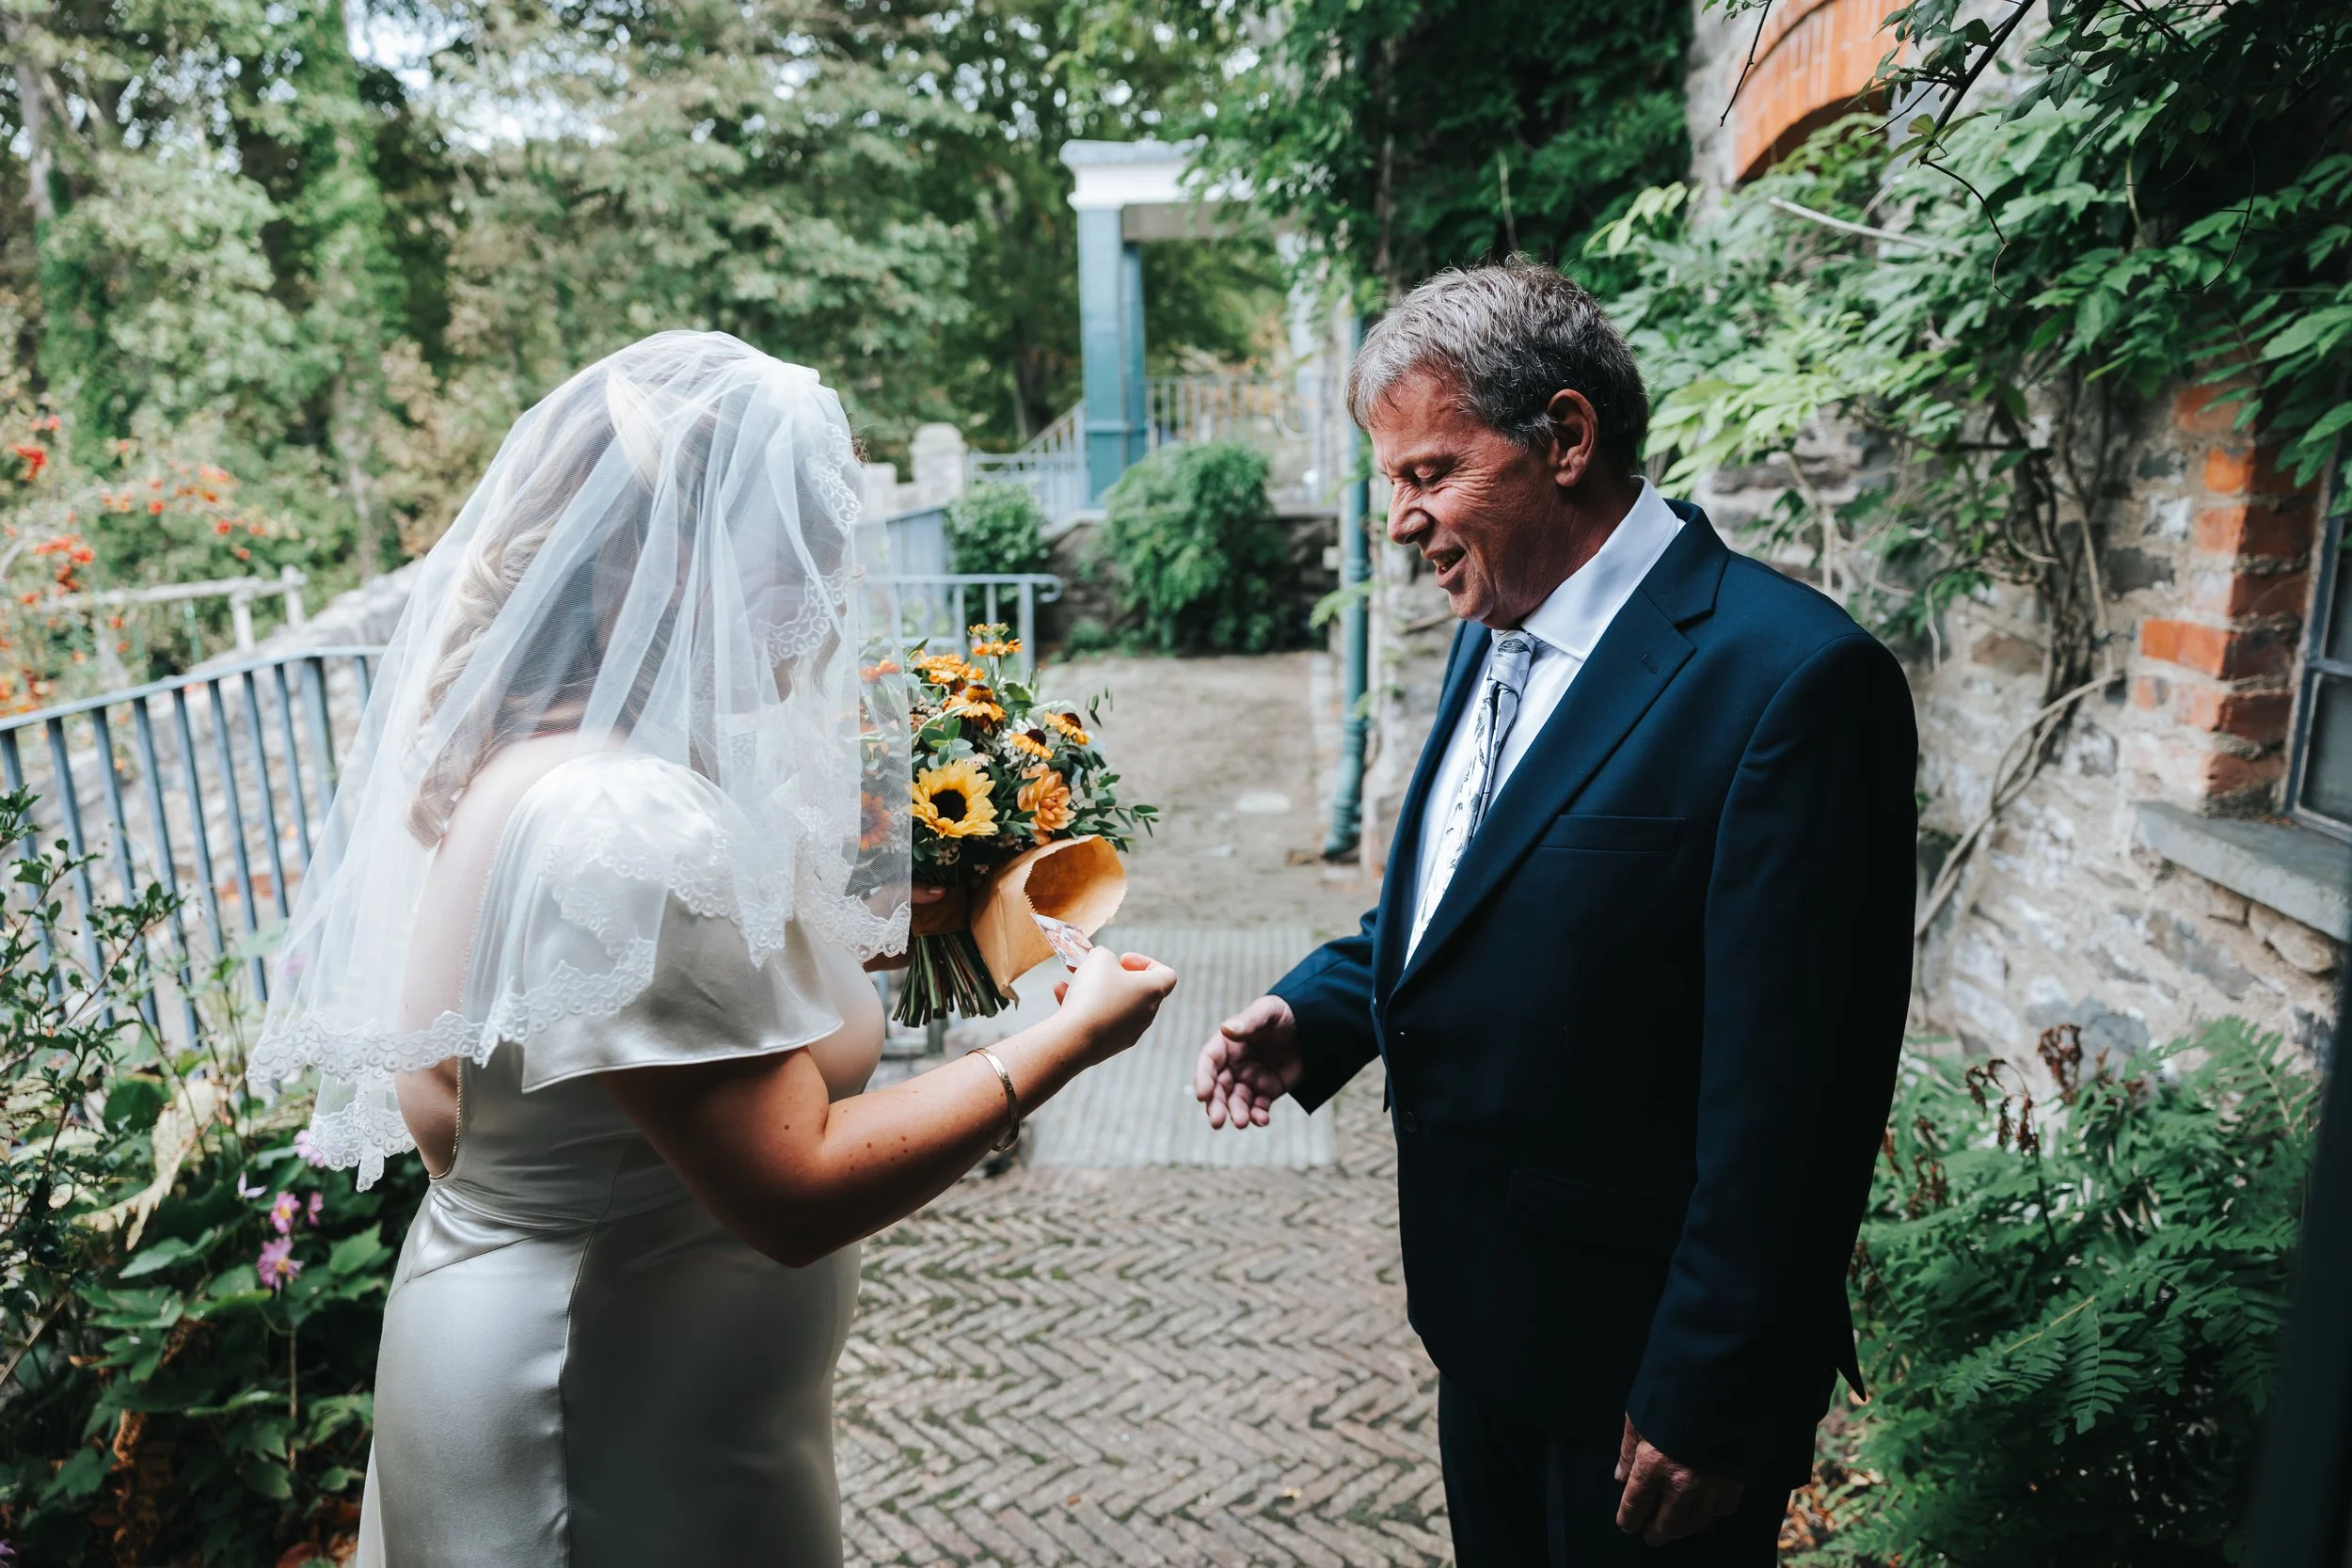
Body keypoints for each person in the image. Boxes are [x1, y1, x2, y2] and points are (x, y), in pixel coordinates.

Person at [248, 333, 1176, 1567]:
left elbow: (477, 1115)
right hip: (601, 1420)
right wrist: (1064, 1038)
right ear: (683, 551)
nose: (837, 578)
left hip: (616, 1380)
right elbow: (789, 1188)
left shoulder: (549, 771)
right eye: (803, 534)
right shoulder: (622, 820)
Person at [1194, 263, 1916, 1566]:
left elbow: (1798, 1093)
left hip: (1645, 1384)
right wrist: (1317, 1011)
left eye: (1428, 474)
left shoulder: (1795, 683)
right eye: (1392, 481)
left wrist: (1715, 1380)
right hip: (1480, 1328)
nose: (1399, 522)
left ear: (1566, 439)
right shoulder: (1494, 622)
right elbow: (1474, 902)